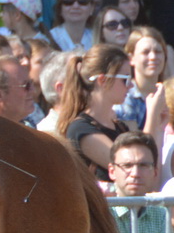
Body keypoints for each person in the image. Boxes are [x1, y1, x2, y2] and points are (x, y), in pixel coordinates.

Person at [52, 44, 130, 180]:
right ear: (102, 80)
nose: (131, 85)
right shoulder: (81, 129)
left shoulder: (120, 126)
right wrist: (153, 116)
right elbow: (130, 168)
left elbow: (149, 169)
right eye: (125, 79)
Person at [118, 26, 169, 133]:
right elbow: (137, 145)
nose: (153, 57)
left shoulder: (170, 95)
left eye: (158, 51)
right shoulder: (125, 97)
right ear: (131, 59)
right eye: (145, 52)